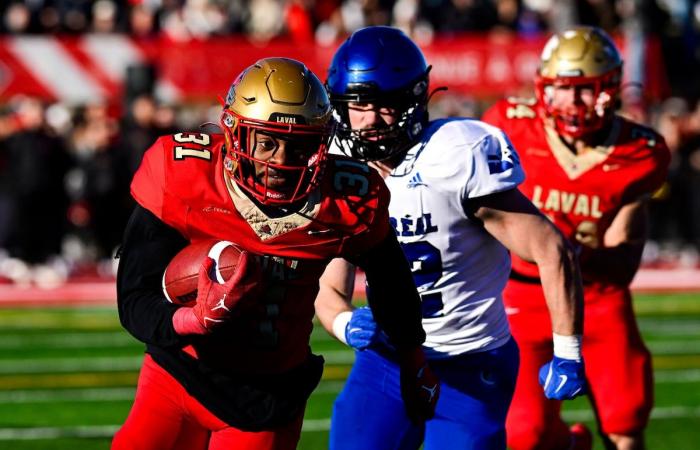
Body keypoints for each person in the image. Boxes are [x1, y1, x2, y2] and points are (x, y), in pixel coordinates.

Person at [112, 57, 438, 450]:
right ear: (235, 133)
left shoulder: (349, 198)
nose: (281, 161)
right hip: (175, 374)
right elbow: (134, 297)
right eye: (267, 142)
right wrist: (192, 320)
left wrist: (412, 355)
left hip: (266, 397)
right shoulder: (183, 176)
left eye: (299, 146)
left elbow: (392, 280)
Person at [315, 26, 585, 450]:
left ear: (414, 98)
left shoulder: (456, 154)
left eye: (384, 104)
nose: (368, 119)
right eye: (357, 105)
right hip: (387, 360)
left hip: (470, 360)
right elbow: (329, 284)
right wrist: (345, 322)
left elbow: (552, 250)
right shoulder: (342, 168)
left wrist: (567, 350)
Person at [482, 26, 671, 450]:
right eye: (561, 89)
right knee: (524, 434)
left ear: (609, 89)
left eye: (583, 89)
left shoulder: (640, 153)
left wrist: (571, 252)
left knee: (625, 420)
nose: (571, 102)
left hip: (597, 296)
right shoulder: (507, 126)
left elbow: (622, 266)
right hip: (521, 298)